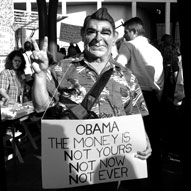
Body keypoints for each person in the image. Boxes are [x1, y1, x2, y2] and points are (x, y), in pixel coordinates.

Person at [31, 8, 152, 191]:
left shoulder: (127, 76)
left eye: (105, 32)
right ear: (82, 35)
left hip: (111, 168)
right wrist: (40, 76)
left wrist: (144, 138)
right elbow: (41, 107)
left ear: (114, 37)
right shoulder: (61, 69)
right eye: (91, 32)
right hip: (69, 166)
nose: (98, 38)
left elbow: (135, 115)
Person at [115, 17, 164, 190]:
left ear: (133, 31)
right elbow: (160, 82)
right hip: (152, 98)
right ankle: (155, 181)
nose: (125, 35)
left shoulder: (128, 45)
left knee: (132, 142)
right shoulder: (156, 51)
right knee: (153, 143)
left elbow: (117, 68)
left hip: (133, 97)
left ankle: (133, 183)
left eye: (127, 32)